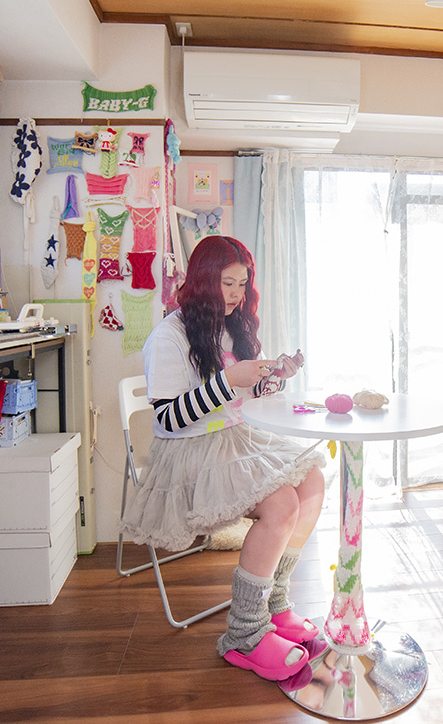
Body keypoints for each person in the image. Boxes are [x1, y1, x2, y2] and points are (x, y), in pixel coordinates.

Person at [121, 235, 327, 683]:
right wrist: (228, 379)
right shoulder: (168, 336)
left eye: (242, 284)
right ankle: (245, 633)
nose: (235, 294)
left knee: (312, 482)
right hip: (189, 449)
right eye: (226, 283)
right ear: (202, 280)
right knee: (281, 505)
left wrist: (274, 377)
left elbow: (247, 395)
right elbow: (169, 419)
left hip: (235, 438)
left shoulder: (233, 326)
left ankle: (274, 602)